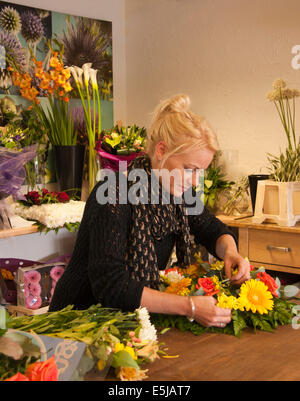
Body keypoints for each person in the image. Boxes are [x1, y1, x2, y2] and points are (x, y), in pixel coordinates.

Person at [49, 94, 250, 328]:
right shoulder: (113, 193)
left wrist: (230, 252)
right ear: (162, 150)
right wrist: (190, 306)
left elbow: (212, 229)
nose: (195, 181)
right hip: (76, 322)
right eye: (190, 169)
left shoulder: (177, 192)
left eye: (200, 172)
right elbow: (111, 286)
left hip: (128, 321)